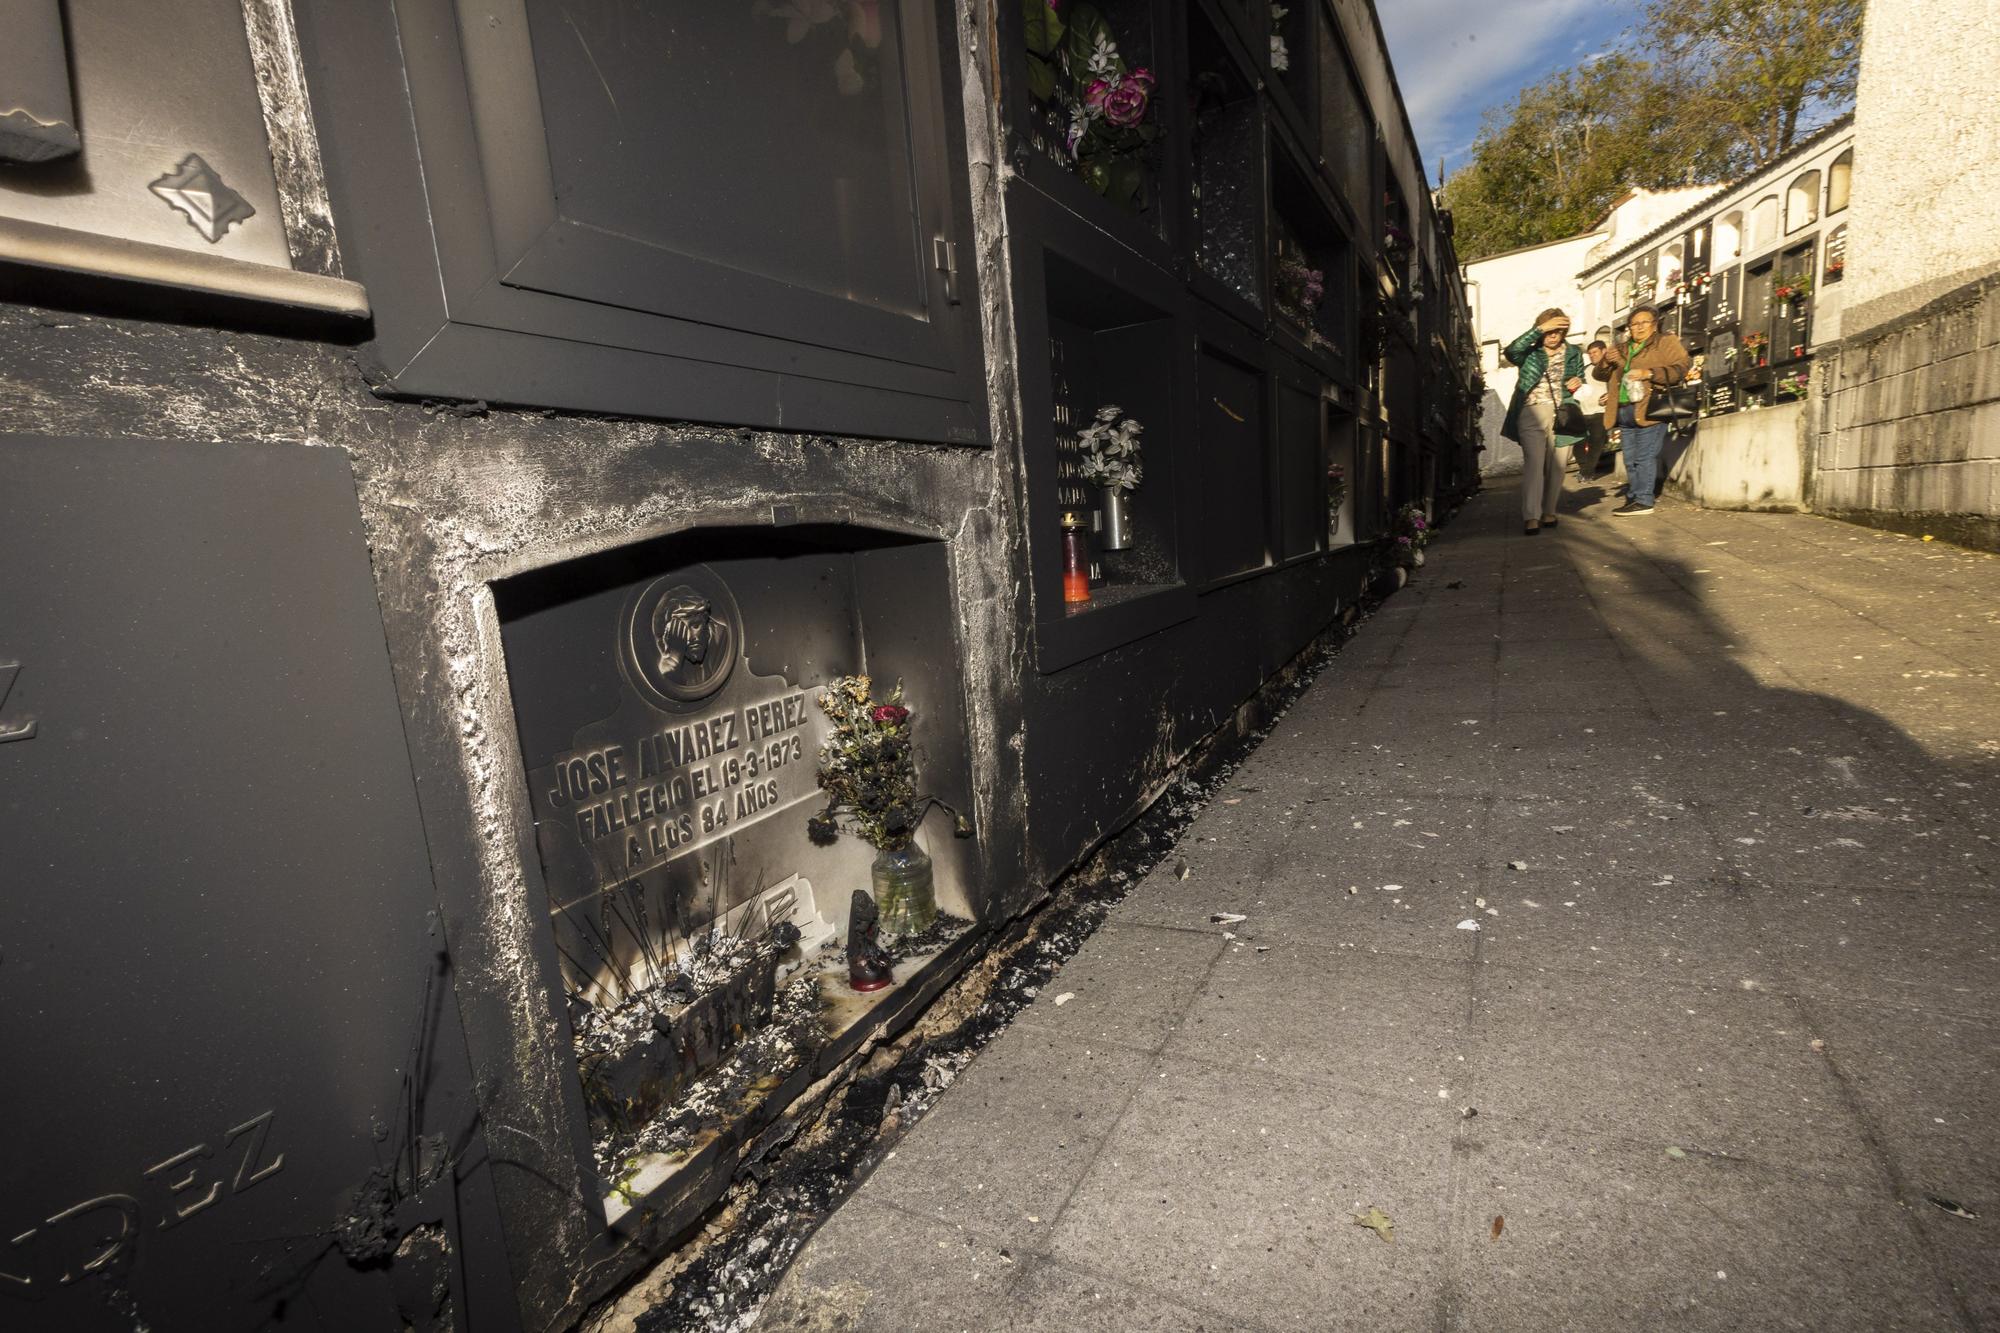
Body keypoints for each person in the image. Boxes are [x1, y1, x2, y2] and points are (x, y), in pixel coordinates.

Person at [1594, 303, 1691, 516]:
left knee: (1644, 456)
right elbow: (1599, 376)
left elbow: (1682, 367)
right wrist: (1605, 362)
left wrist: (1649, 373)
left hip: (1650, 408)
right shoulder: (1623, 348)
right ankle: (1634, 496)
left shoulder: (1665, 342)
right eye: (1633, 324)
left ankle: (1644, 500)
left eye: (1643, 323)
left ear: (1654, 325)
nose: (1638, 328)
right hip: (1624, 409)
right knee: (1629, 459)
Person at [1499, 308, 1587, 534]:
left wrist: (1578, 380)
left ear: (1564, 331)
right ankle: (1531, 516)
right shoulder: (1529, 353)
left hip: (1564, 414)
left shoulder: (1574, 352)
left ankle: (1549, 512)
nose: (1553, 335)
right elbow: (1511, 351)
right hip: (1531, 412)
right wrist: (1539, 329)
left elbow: (1579, 376)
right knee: (1534, 465)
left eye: (1557, 330)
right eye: (1549, 330)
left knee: (1558, 467)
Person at [1572, 339, 1611, 478]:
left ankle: (1587, 473)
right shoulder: (1585, 370)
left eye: (1595, 352)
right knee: (1578, 445)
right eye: (1589, 353)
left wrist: (1610, 395)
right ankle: (1584, 469)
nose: (1592, 355)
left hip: (1600, 412)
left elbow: (1618, 387)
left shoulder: (1610, 369)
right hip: (1583, 412)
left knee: (1596, 444)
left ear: (1604, 351)